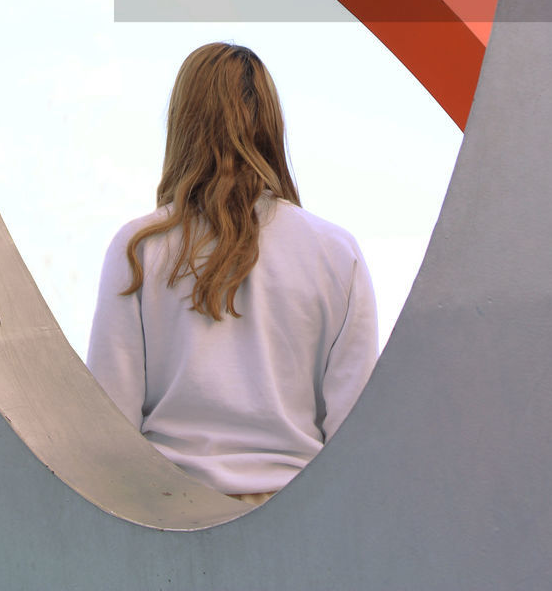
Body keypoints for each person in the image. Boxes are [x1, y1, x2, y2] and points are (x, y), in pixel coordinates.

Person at [86, 41, 378, 506]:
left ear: (182, 124)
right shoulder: (337, 254)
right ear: (272, 125)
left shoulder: (139, 248)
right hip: (299, 523)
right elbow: (357, 436)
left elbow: (109, 427)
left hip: (171, 514)